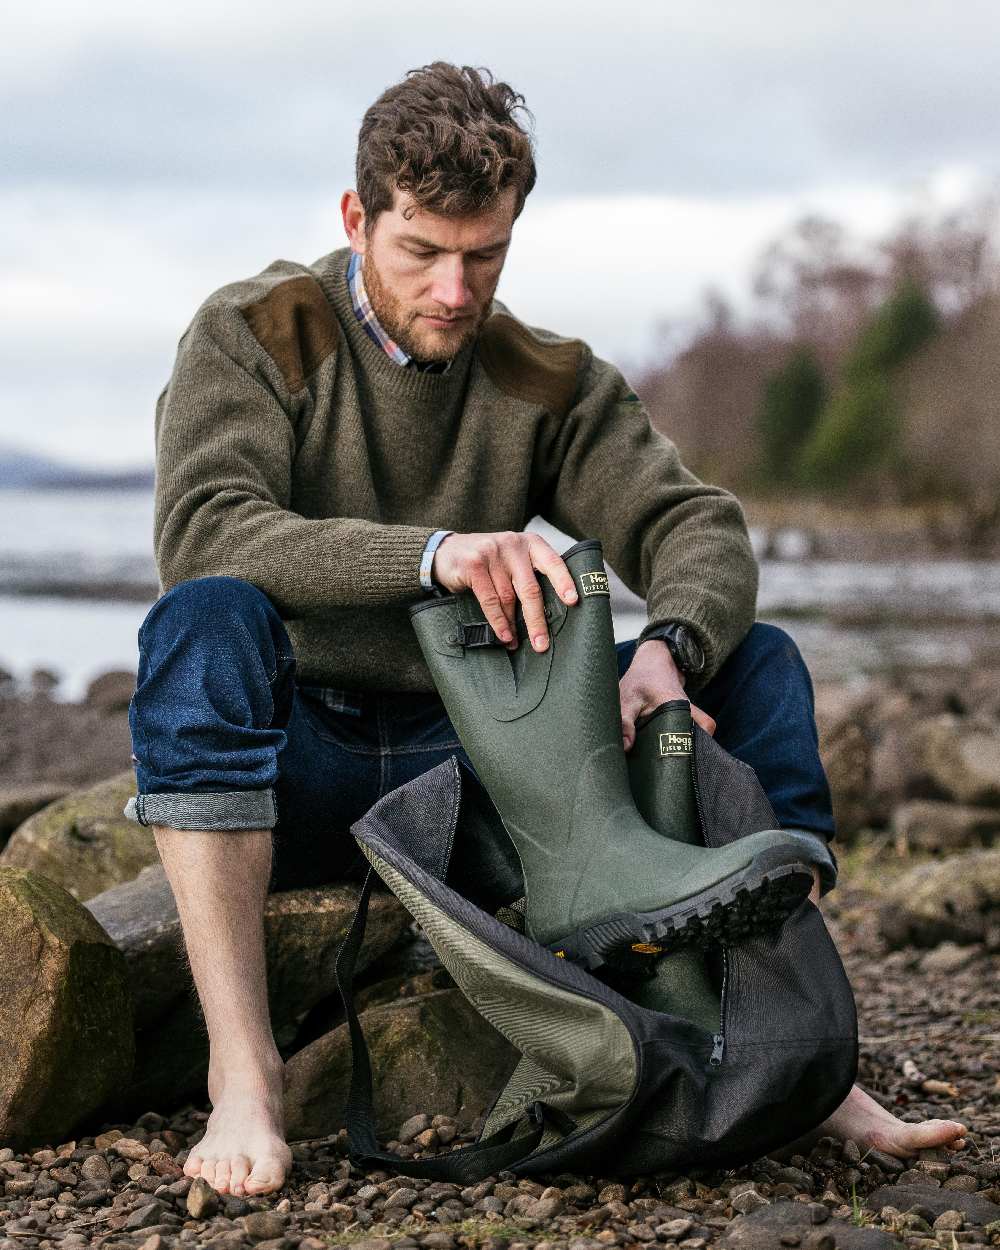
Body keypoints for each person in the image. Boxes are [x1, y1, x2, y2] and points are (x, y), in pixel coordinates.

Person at [125, 61, 965, 1198]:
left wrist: (666, 649)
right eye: (422, 251)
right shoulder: (255, 331)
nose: (457, 291)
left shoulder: (546, 376)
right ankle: (246, 1071)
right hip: (298, 766)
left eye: (486, 254)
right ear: (355, 218)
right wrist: (436, 553)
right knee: (202, 619)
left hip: (476, 772)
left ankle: (803, 1050)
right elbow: (209, 529)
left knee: (758, 664)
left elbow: (696, 525)